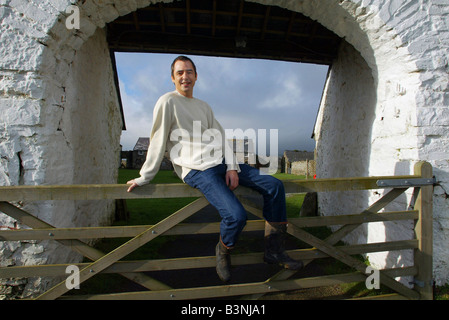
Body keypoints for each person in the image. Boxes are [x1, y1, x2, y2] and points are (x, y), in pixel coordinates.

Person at [126, 56, 303, 282]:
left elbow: (221, 139)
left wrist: (231, 167)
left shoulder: (203, 106)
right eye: (179, 73)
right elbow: (158, 139)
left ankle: (274, 251)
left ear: (196, 76)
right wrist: (145, 176)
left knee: (274, 185)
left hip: (220, 162)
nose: (185, 76)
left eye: (189, 72)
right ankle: (223, 250)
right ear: (172, 78)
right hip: (197, 170)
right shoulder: (167, 102)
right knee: (236, 216)